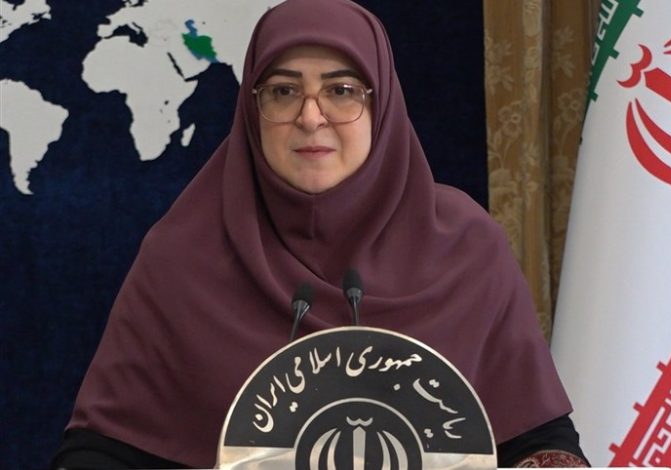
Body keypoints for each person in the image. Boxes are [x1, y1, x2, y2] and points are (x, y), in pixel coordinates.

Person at [51, 0, 588, 468]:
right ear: (253, 110)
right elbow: (98, 453)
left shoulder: (467, 247)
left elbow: (538, 438)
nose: (311, 117)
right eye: (284, 91)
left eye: (342, 90)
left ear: (382, 106)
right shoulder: (182, 256)